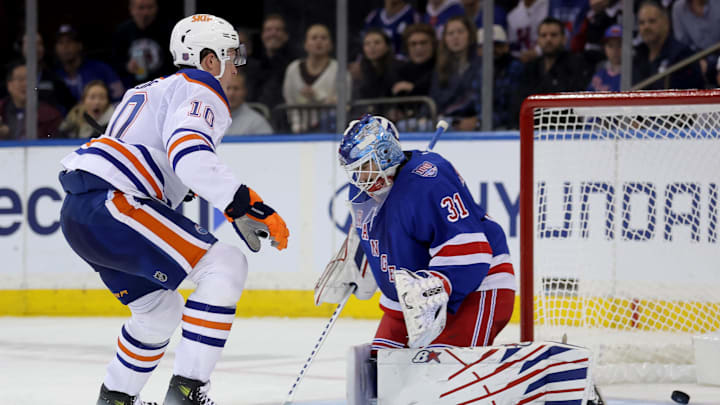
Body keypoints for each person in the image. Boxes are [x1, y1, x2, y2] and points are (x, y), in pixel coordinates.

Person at [57, 14, 289, 405]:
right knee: (225, 264)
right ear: (208, 59)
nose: (234, 67)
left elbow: (149, 153)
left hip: (80, 211)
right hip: (115, 203)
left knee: (158, 312)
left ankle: (115, 399)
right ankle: (187, 392)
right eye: (230, 56)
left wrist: (177, 185)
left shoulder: (147, 90)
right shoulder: (203, 86)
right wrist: (245, 203)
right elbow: (188, 152)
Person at [336, 114, 515, 353]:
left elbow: (473, 253)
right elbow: (379, 236)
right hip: (411, 301)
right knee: (380, 369)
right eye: (355, 170)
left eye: (365, 166)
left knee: (439, 372)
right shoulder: (361, 191)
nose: (361, 178)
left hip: (477, 286)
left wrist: (432, 286)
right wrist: (364, 261)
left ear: (385, 153)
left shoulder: (430, 181)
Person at [282, 24, 351, 133]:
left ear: (330, 45)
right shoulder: (293, 69)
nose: (319, 42)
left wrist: (318, 96)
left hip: (330, 130)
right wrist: (297, 125)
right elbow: (289, 101)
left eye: (324, 38)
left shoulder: (340, 70)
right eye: (314, 38)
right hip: (298, 129)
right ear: (306, 44)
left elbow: (345, 104)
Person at [516, 17, 592, 106]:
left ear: (564, 39)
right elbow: (520, 101)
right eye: (543, 35)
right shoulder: (531, 67)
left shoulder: (576, 64)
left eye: (553, 35)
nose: (548, 39)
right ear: (538, 41)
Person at [633, 0, 705, 90]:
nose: (646, 27)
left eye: (652, 21)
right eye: (641, 23)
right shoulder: (636, 57)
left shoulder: (683, 56)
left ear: (666, 23)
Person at [430, 15, 480, 130]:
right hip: (444, 121)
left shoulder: (480, 64)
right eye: (450, 33)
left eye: (460, 32)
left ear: (470, 35)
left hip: (470, 121)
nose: (455, 37)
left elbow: (474, 97)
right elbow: (434, 97)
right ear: (445, 39)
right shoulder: (440, 67)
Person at [54, 24, 125, 102]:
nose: (65, 46)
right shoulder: (55, 76)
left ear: (79, 45)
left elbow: (120, 97)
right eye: (60, 43)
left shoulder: (100, 69)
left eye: (69, 42)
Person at [112, 0, 174, 86]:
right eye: (141, 8)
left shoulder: (168, 29)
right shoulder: (123, 31)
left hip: (163, 84)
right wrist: (127, 66)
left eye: (150, 7)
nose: (146, 12)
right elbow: (114, 61)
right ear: (131, 9)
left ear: (157, 8)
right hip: (133, 87)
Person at [473, 25, 524, 129]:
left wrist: (479, 121)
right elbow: (470, 99)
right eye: (487, 46)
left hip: (508, 129)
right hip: (481, 125)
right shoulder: (478, 70)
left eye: (497, 45)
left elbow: (513, 110)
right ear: (478, 50)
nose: (492, 49)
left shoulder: (515, 68)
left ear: (506, 47)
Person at [0, 61, 63, 140]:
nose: (25, 84)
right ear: (9, 85)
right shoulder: (1, 109)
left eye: (29, 79)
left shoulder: (51, 115)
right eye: (20, 79)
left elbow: (55, 145)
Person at [248, 14, 300, 110]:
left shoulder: (295, 64)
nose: (273, 34)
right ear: (262, 36)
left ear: (286, 36)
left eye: (278, 30)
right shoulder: (254, 64)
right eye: (268, 30)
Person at [391, 23, 437, 97]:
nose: (418, 48)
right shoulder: (400, 72)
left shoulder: (440, 68)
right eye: (413, 44)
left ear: (433, 45)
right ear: (407, 48)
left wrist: (413, 88)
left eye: (423, 43)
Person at [225, 71, 273, 135]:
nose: (231, 94)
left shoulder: (256, 123)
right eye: (227, 88)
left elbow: (268, 144)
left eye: (236, 89)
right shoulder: (208, 119)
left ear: (245, 91)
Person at [587, 24, 622, 92]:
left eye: (619, 45)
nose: (615, 50)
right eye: (610, 45)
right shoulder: (600, 72)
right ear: (605, 48)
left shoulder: (633, 73)